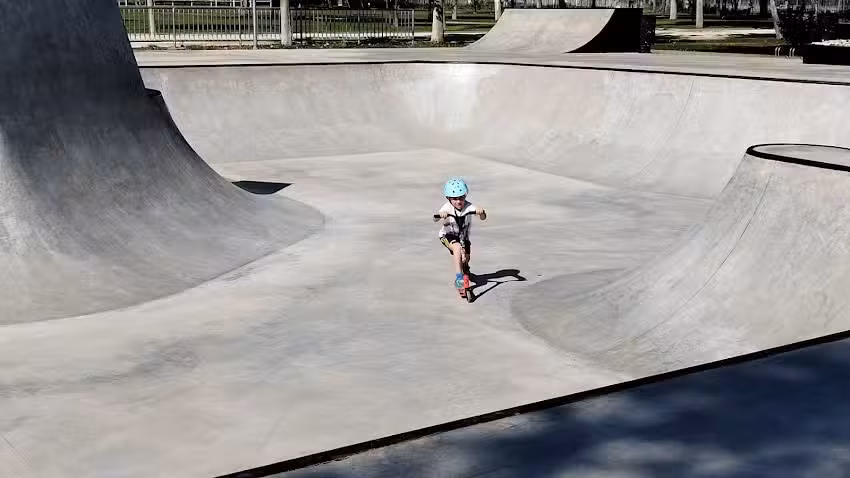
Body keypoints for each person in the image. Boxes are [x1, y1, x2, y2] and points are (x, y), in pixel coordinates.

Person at [433, 178, 487, 291]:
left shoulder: (468, 206)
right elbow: (435, 218)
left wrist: (481, 212)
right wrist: (440, 214)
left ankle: (465, 268)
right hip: (447, 236)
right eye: (455, 199)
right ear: (448, 198)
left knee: (466, 257)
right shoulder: (447, 207)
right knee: (457, 247)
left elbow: (483, 217)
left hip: (463, 237)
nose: (459, 201)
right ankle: (459, 277)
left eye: (461, 197)